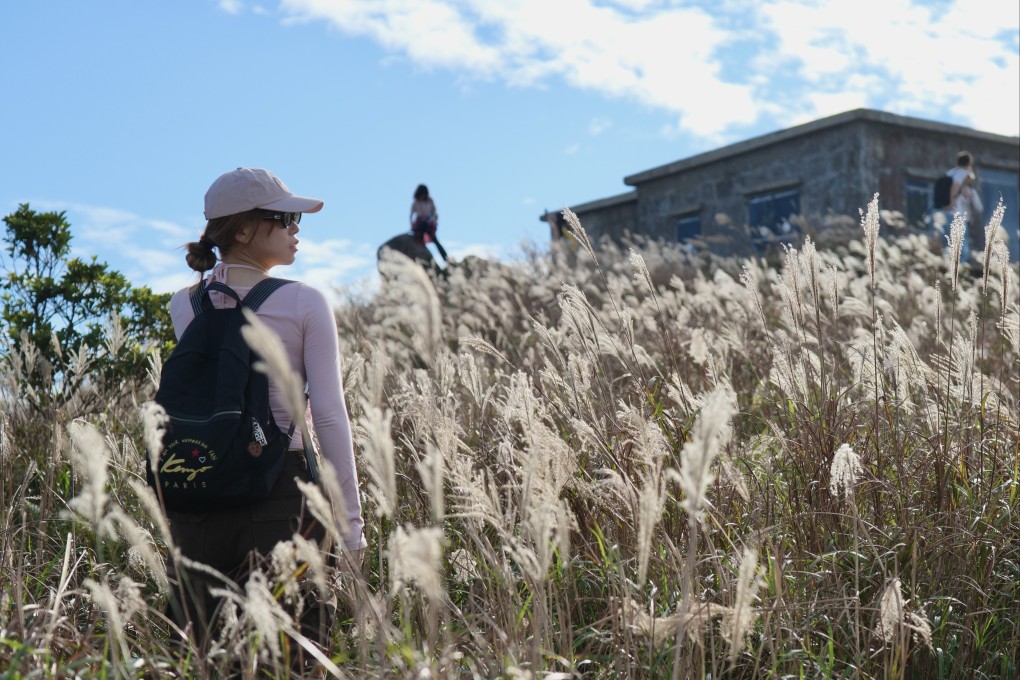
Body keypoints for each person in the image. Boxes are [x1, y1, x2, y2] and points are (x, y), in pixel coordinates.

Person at [165, 167, 366, 662]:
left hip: (198, 500)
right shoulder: (304, 302)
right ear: (243, 229)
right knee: (294, 658)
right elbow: (329, 417)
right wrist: (351, 527)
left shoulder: (184, 305)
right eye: (285, 217)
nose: (297, 228)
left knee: (208, 658)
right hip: (284, 499)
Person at [410, 184, 449, 264]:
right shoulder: (416, 202)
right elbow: (411, 215)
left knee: (435, 240)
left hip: (429, 224)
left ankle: (446, 259)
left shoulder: (430, 201)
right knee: (419, 241)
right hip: (420, 224)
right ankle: (420, 259)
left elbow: (435, 213)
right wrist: (412, 225)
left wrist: (431, 220)